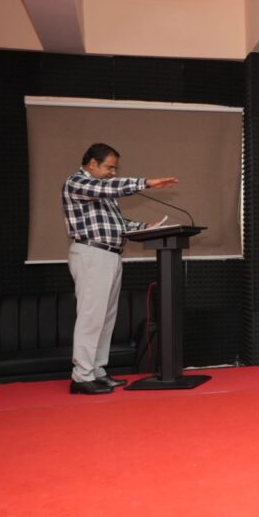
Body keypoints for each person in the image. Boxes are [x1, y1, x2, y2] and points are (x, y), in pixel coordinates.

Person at [62, 143, 178, 395]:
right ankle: (81, 376)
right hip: (92, 254)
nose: (113, 172)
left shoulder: (102, 190)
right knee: (91, 317)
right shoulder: (77, 182)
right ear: (92, 163)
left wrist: (145, 227)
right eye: (109, 167)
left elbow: (117, 223)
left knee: (105, 317)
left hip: (110, 255)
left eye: (115, 168)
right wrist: (146, 183)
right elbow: (109, 188)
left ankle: (97, 371)